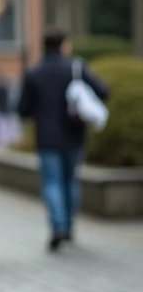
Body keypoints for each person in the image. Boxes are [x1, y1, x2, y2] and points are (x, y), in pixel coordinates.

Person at [17, 28, 111, 251]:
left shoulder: (34, 73)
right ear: (63, 45)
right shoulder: (75, 68)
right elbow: (104, 91)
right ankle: (68, 227)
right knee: (70, 180)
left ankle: (58, 225)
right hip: (73, 134)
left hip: (46, 136)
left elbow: (23, 109)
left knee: (51, 181)